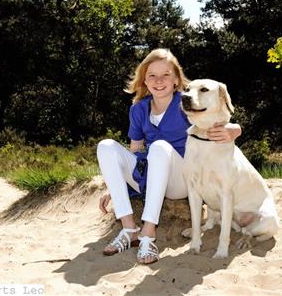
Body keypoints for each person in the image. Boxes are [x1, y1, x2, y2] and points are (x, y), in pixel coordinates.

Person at [97, 48, 241, 264]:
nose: (158, 80)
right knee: (106, 145)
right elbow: (135, 150)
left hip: (180, 181)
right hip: (147, 177)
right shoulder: (138, 109)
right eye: (152, 75)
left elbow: (219, 117)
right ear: (144, 80)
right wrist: (117, 183)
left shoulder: (186, 104)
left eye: (166, 74)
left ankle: (148, 233)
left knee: (160, 147)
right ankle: (129, 230)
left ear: (176, 80)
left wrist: (235, 130)